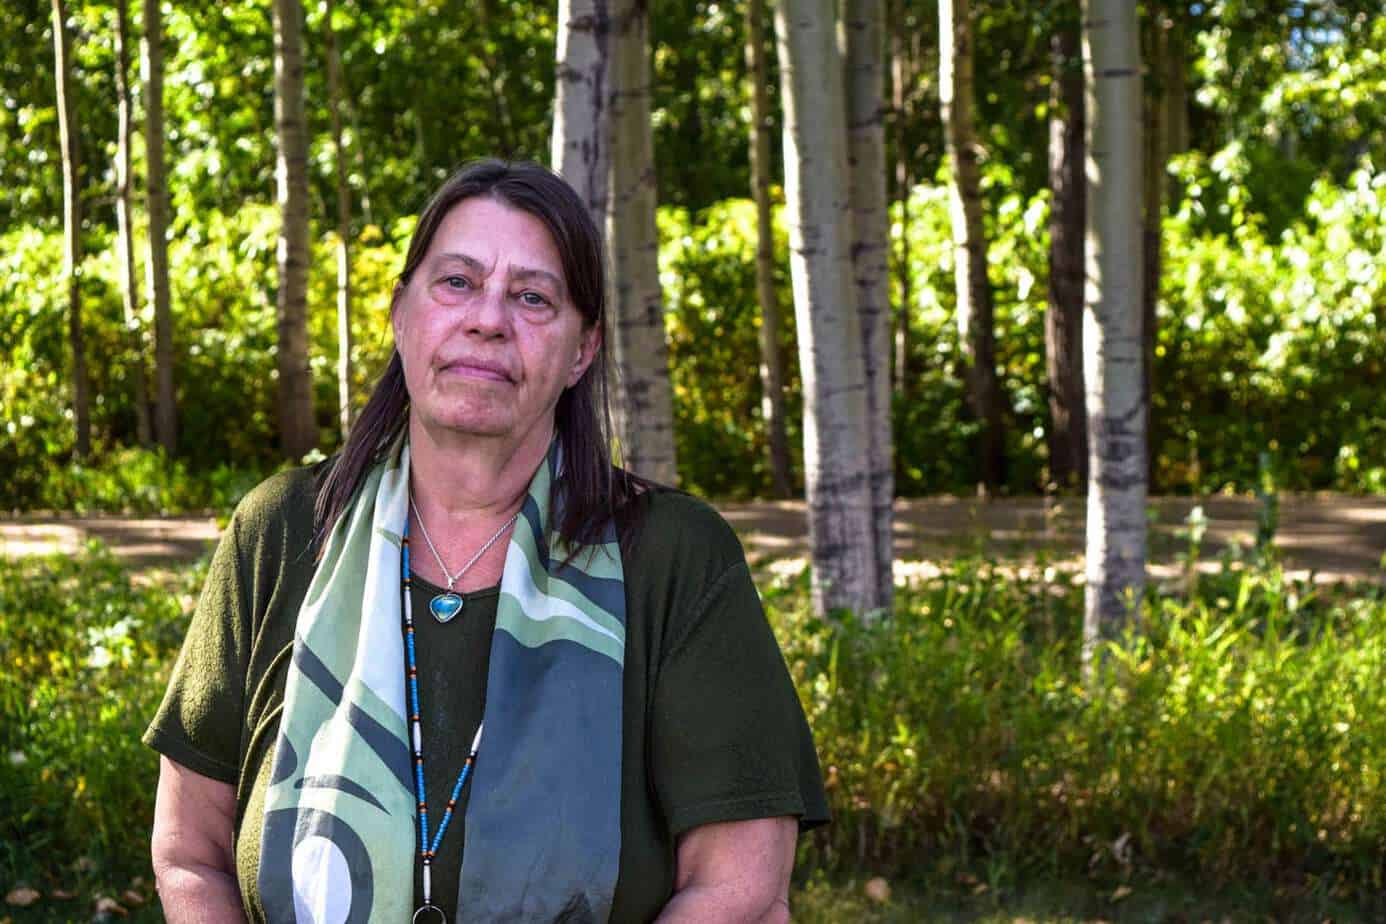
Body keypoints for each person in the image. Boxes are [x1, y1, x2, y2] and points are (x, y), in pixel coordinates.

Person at [144, 159, 829, 924]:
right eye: (458, 283)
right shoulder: (279, 534)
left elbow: (740, 888)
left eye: (533, 297)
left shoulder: (675, 559)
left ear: (582, 350)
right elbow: (190, 851)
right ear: (402, 312)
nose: (488, 319)